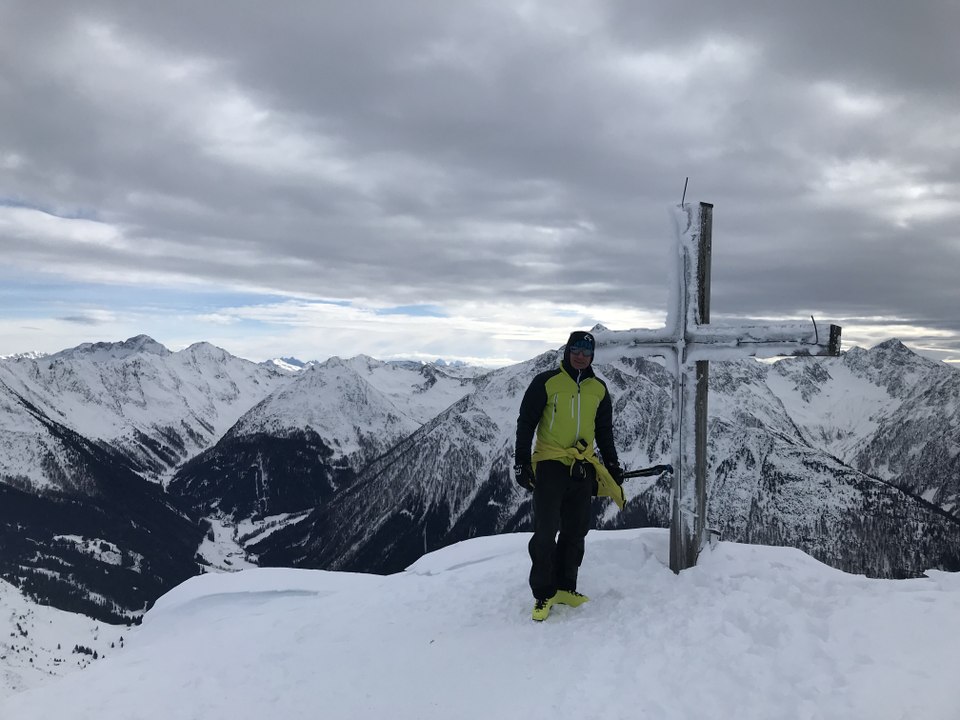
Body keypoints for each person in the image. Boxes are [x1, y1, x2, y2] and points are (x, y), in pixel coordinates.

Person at [514, 330, 625, 622]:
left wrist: (612, 464)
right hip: (550, 464)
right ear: (567, 351)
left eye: (586, 352)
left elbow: (604, 431)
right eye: (575, 349)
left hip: (583, 466)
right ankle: (543, 593)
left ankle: (566, 587)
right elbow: (526, 423)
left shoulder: (598, 389)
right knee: (545, 531)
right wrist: (521, 462)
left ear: (592, 356)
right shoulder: (546, 382)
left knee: (576, 531)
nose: (580, 356)